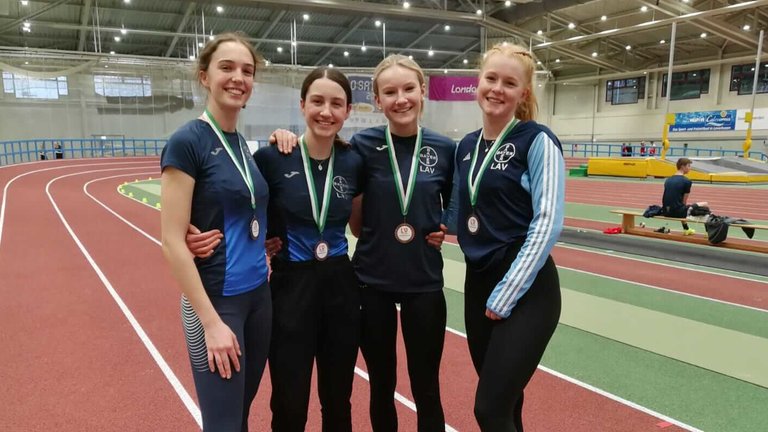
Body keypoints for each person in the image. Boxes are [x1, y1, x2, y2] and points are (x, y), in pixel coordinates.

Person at [270, 54, 454, 432]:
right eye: (390, 92)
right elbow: (350, 212)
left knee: (426, 388)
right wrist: (281, 134)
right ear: (377, 99)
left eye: (408, 89)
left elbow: (456, 202)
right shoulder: (362, 148)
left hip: (424, 283)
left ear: (423, 91)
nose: (400, 99)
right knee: (380, 387)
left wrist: (445, 226)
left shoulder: (445, 149)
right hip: (372, 284)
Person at [160, 32, 272, 431]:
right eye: (227, 67)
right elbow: (172, 240)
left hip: (259, 298)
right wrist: (210, 323)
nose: (238, 77)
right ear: (204, 76)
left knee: (239, 415)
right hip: (216, 304)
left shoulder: (242, 145)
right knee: (222, 423)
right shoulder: (188, 141)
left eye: (247, 70)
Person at [454, 43, 564, 431]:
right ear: (478, 84)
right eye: (491, 78)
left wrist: (508, 291)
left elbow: (548, 221)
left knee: (489, 408)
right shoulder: (466, 146)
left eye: (509, 82)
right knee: (508, 403)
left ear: (524, 93)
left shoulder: (537, 141)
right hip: (478, 282)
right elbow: (460, 209)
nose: (497, 88)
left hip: (527, 289)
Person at [255, 67, 363, 432]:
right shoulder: (272, 158)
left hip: (340, 287)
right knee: (289, 401)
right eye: (317, 101)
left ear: (348, 111)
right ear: (302, 105)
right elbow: (247, 218)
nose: (326, 111)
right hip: (291, 287)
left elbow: (364, 224)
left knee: (338, 400)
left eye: (336, 103)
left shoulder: (352, 160)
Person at [661, 157, 708, 236]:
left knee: (679, 206)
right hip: (677, 212)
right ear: (683, 166)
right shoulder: (686, 181)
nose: (690, 168)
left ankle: (686, 229)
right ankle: (708, 232)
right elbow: (684, 202)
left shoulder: (668, 180)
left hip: (666, 211)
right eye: (688, 166)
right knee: (705, 206)